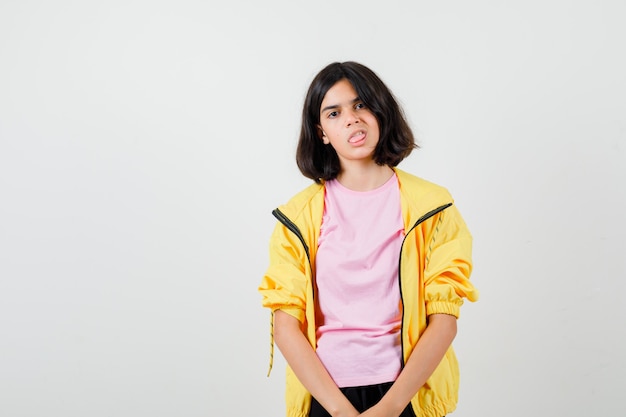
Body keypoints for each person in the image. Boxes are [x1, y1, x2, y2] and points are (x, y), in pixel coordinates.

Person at [259, 61, 479, 417]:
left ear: (381, 112)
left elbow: (444, 319)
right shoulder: (296, 218)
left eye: (360, 104)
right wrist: (340, 411)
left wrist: (391, 407)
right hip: (327, 396)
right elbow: (287, 327)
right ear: (322, 133)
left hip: (407, 394)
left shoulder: (433, 207)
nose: (351, 118)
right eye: (334, 112)